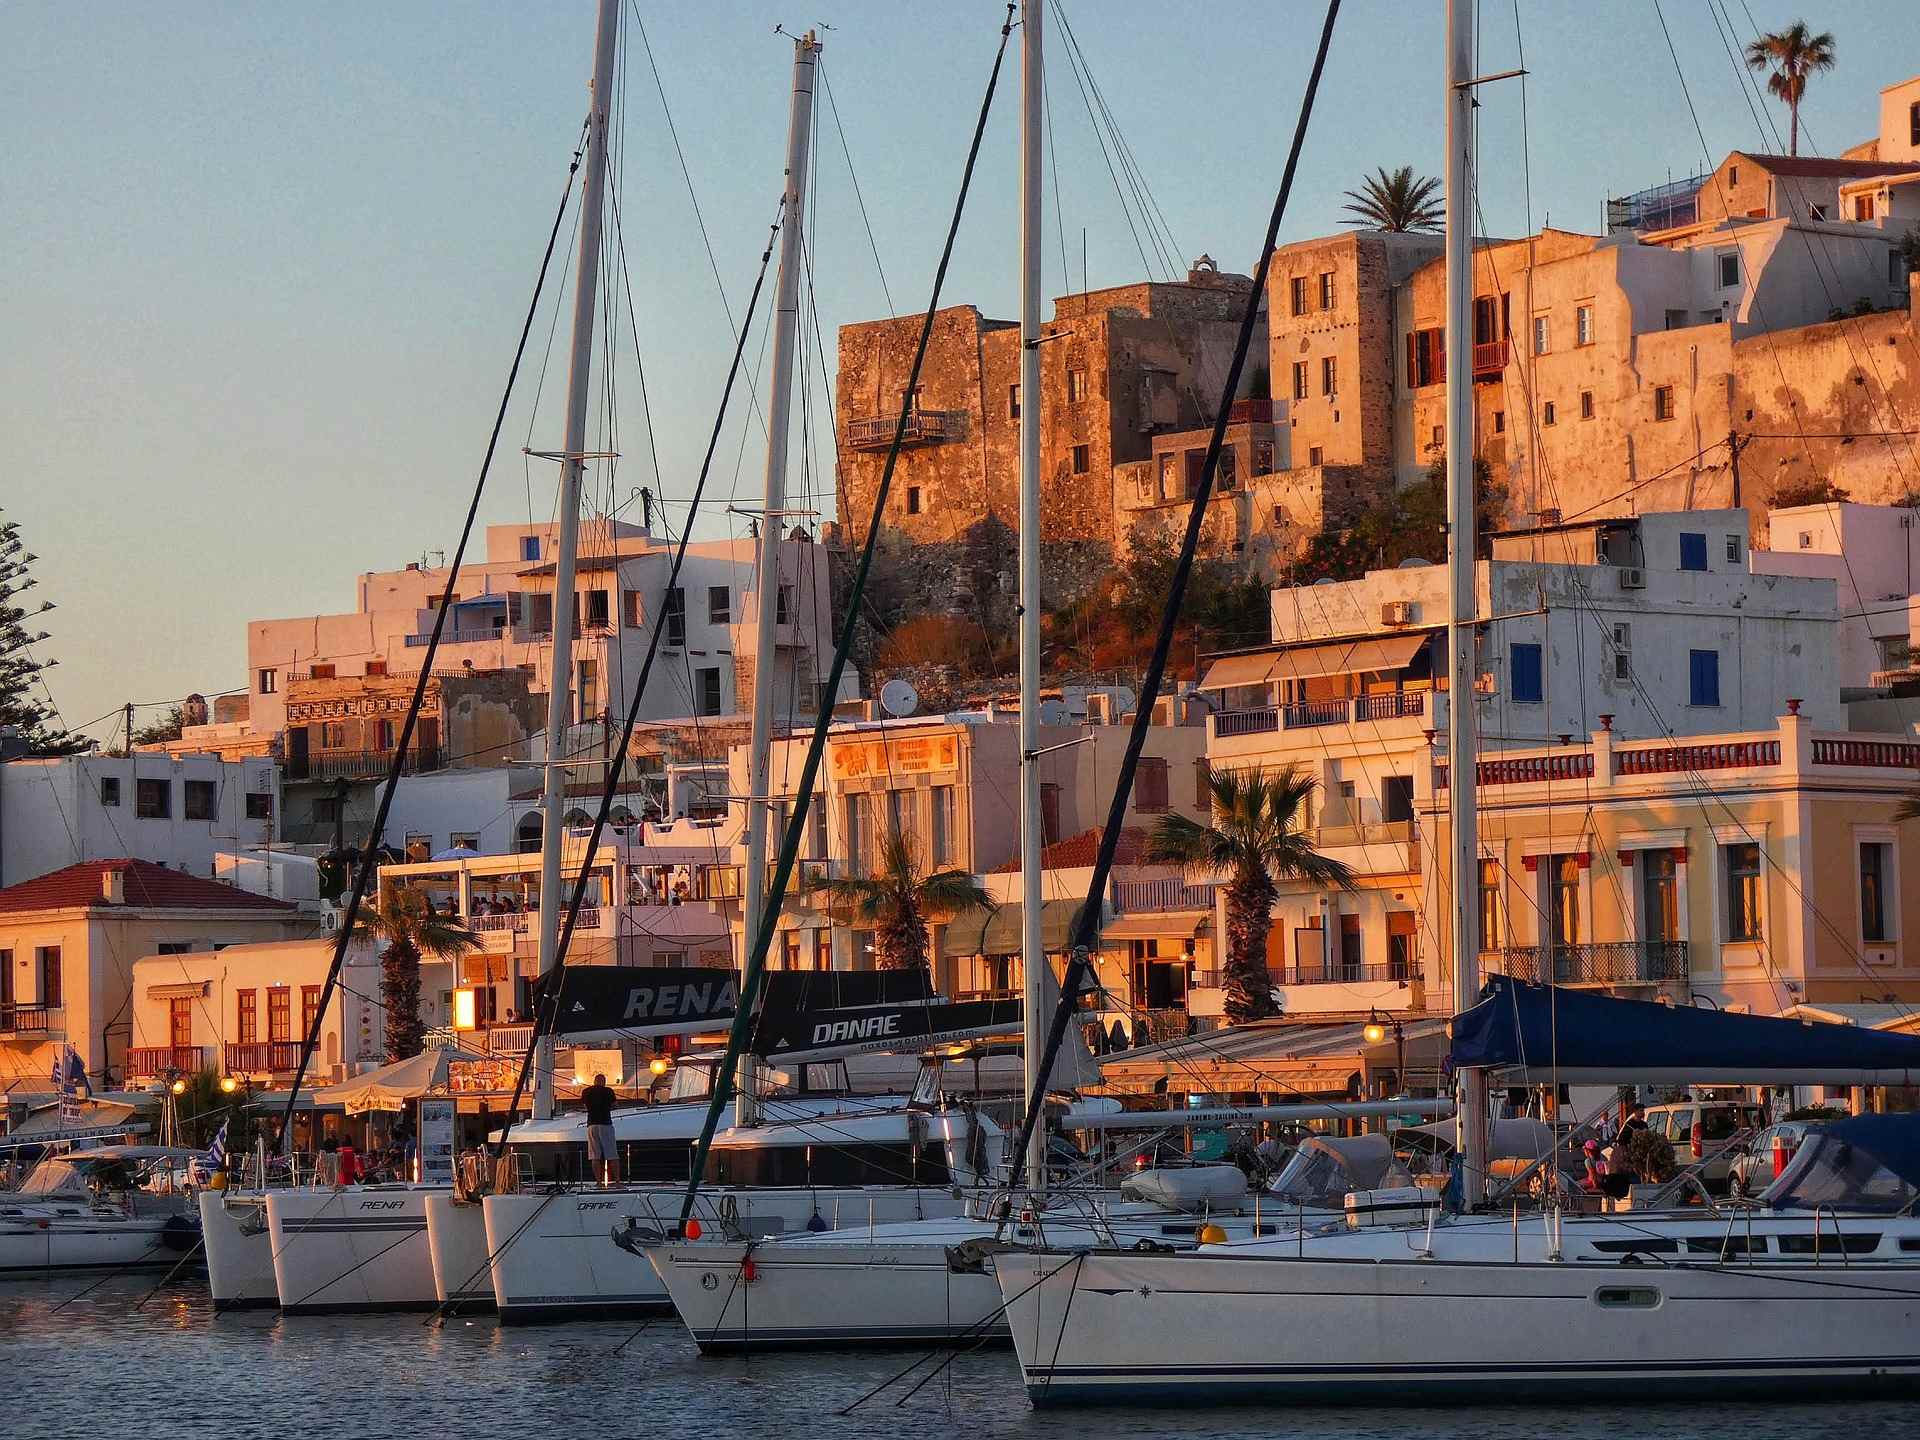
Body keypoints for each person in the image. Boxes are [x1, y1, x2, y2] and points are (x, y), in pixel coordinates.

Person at [582, 1071, 619, 1186]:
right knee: (612, 1154)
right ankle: (617, 1182)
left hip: (591, 1125)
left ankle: (598, 1182)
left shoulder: (586, 1092)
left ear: (594, 1081)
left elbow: (584, 1106)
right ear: (603, 1082)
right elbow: (615, 1105)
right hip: (605, 1124)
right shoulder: (608, 1091)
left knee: (594, 1155)